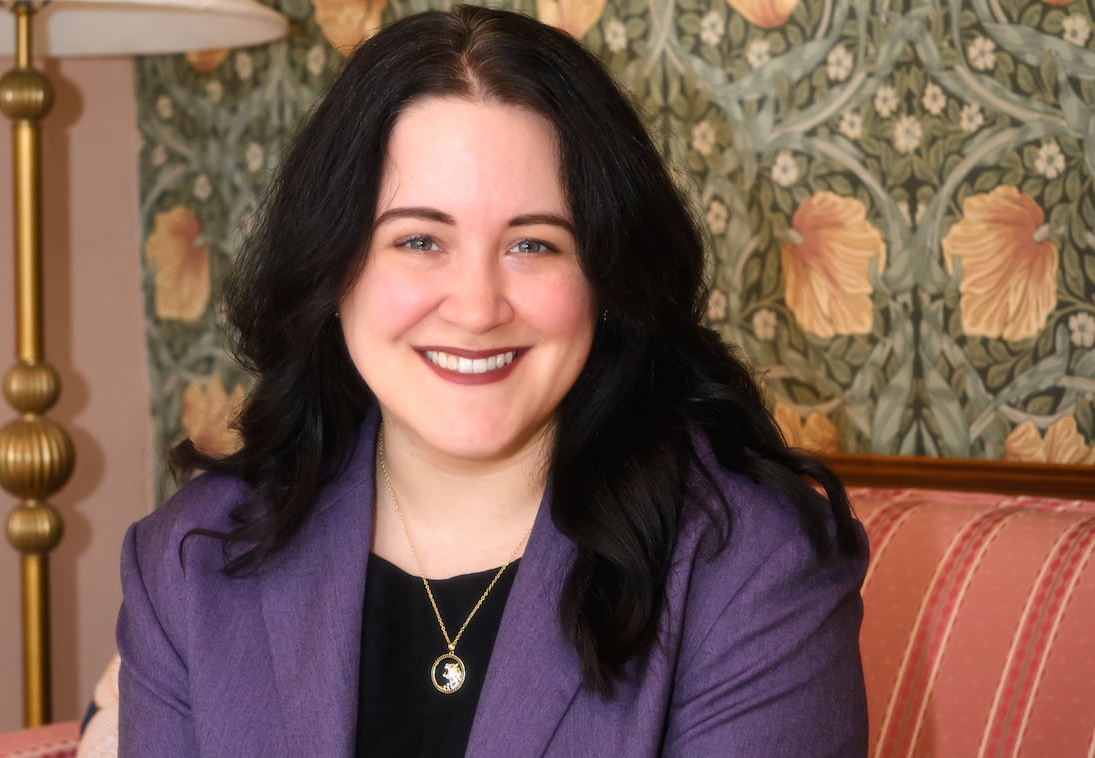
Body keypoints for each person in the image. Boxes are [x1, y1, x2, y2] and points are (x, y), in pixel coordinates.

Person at [116, 5, 868, 757]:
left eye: (534, 245)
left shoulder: (751, 568)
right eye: (418, 240)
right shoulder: (191, 562)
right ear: (332, 267)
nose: (477, 308)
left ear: (606, 280)